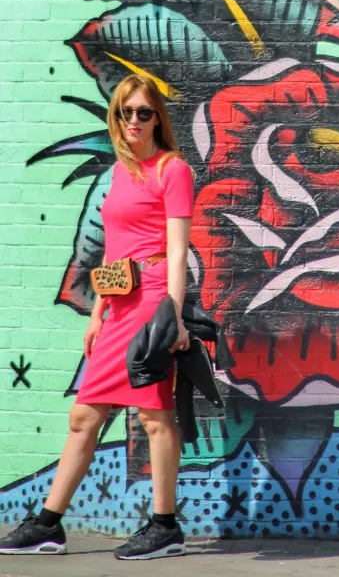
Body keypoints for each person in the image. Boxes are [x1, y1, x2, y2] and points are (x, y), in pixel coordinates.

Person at [0, 76, 195, 561]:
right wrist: (99, 312)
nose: (134, 120)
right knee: (84, 414)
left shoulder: (172, 170)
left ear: (158, 119)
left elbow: (176, 250)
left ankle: (165, 525)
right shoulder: (118, 173)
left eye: (144, 112)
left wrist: (173, 313)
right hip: (119, 305)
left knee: (153, 416)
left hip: (152, 301)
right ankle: (48, 525)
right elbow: (115, 251)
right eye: (125, 112)